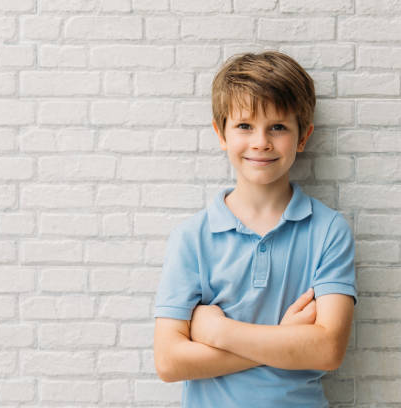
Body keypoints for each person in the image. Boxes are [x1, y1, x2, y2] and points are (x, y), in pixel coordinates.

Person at [153, 50, 357, 407]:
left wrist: (219, 332)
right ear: (221, 133)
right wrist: (286, 340)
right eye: (245, 126)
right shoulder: (192, 239)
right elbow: (169, 362)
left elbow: (327, 350)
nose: (261, 141)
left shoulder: (328, 231)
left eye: (277, 127)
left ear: (302, 136)